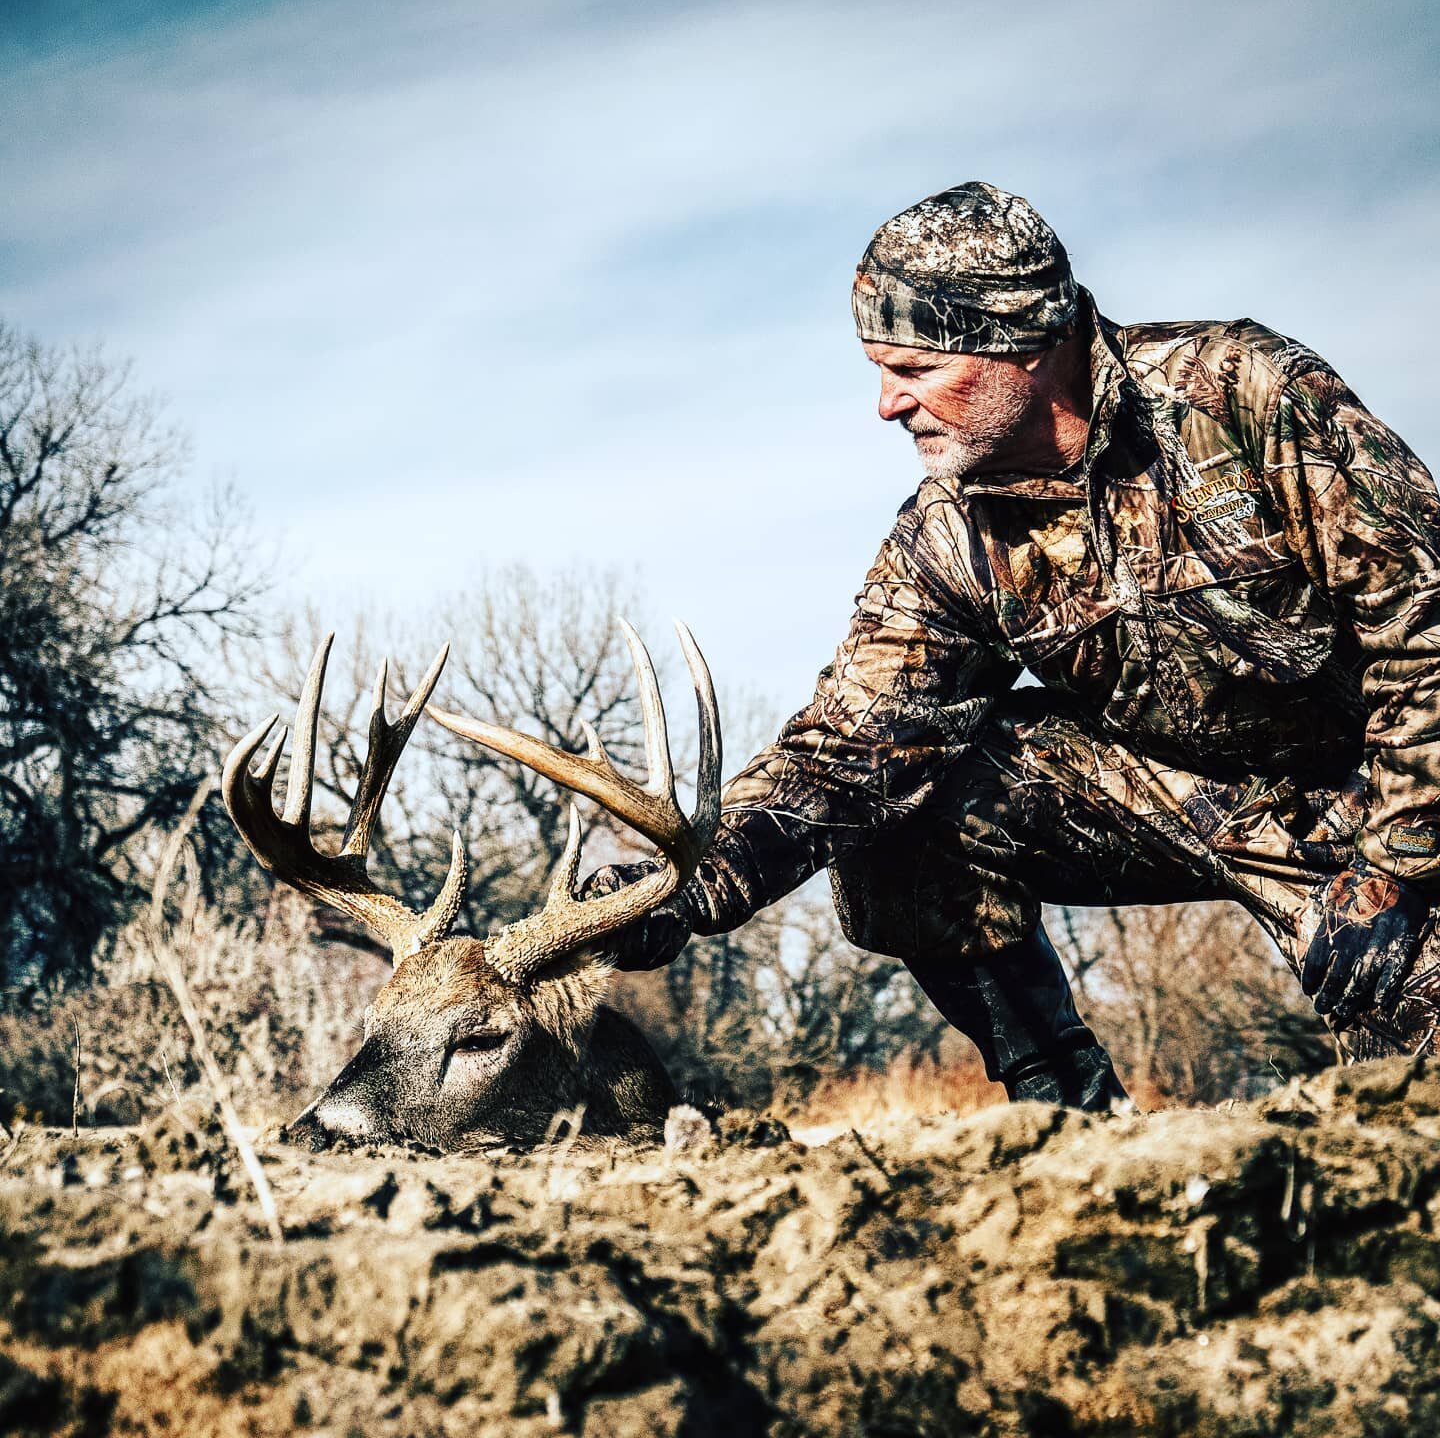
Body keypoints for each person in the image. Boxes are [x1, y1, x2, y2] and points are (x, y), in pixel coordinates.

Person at [583, 181, 1440, 1109]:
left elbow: (1424, 626)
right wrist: (689, 883)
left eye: (912, 368)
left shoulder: (1239, 393)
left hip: (1390, 804)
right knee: (899, 801)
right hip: (1181, 797)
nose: (885, 405)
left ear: (1020, 345)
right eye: (877, 369)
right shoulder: (947, 535)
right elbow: (847, 749)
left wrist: (1401, 868)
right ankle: (1065, 1120)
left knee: (1405, 1114)